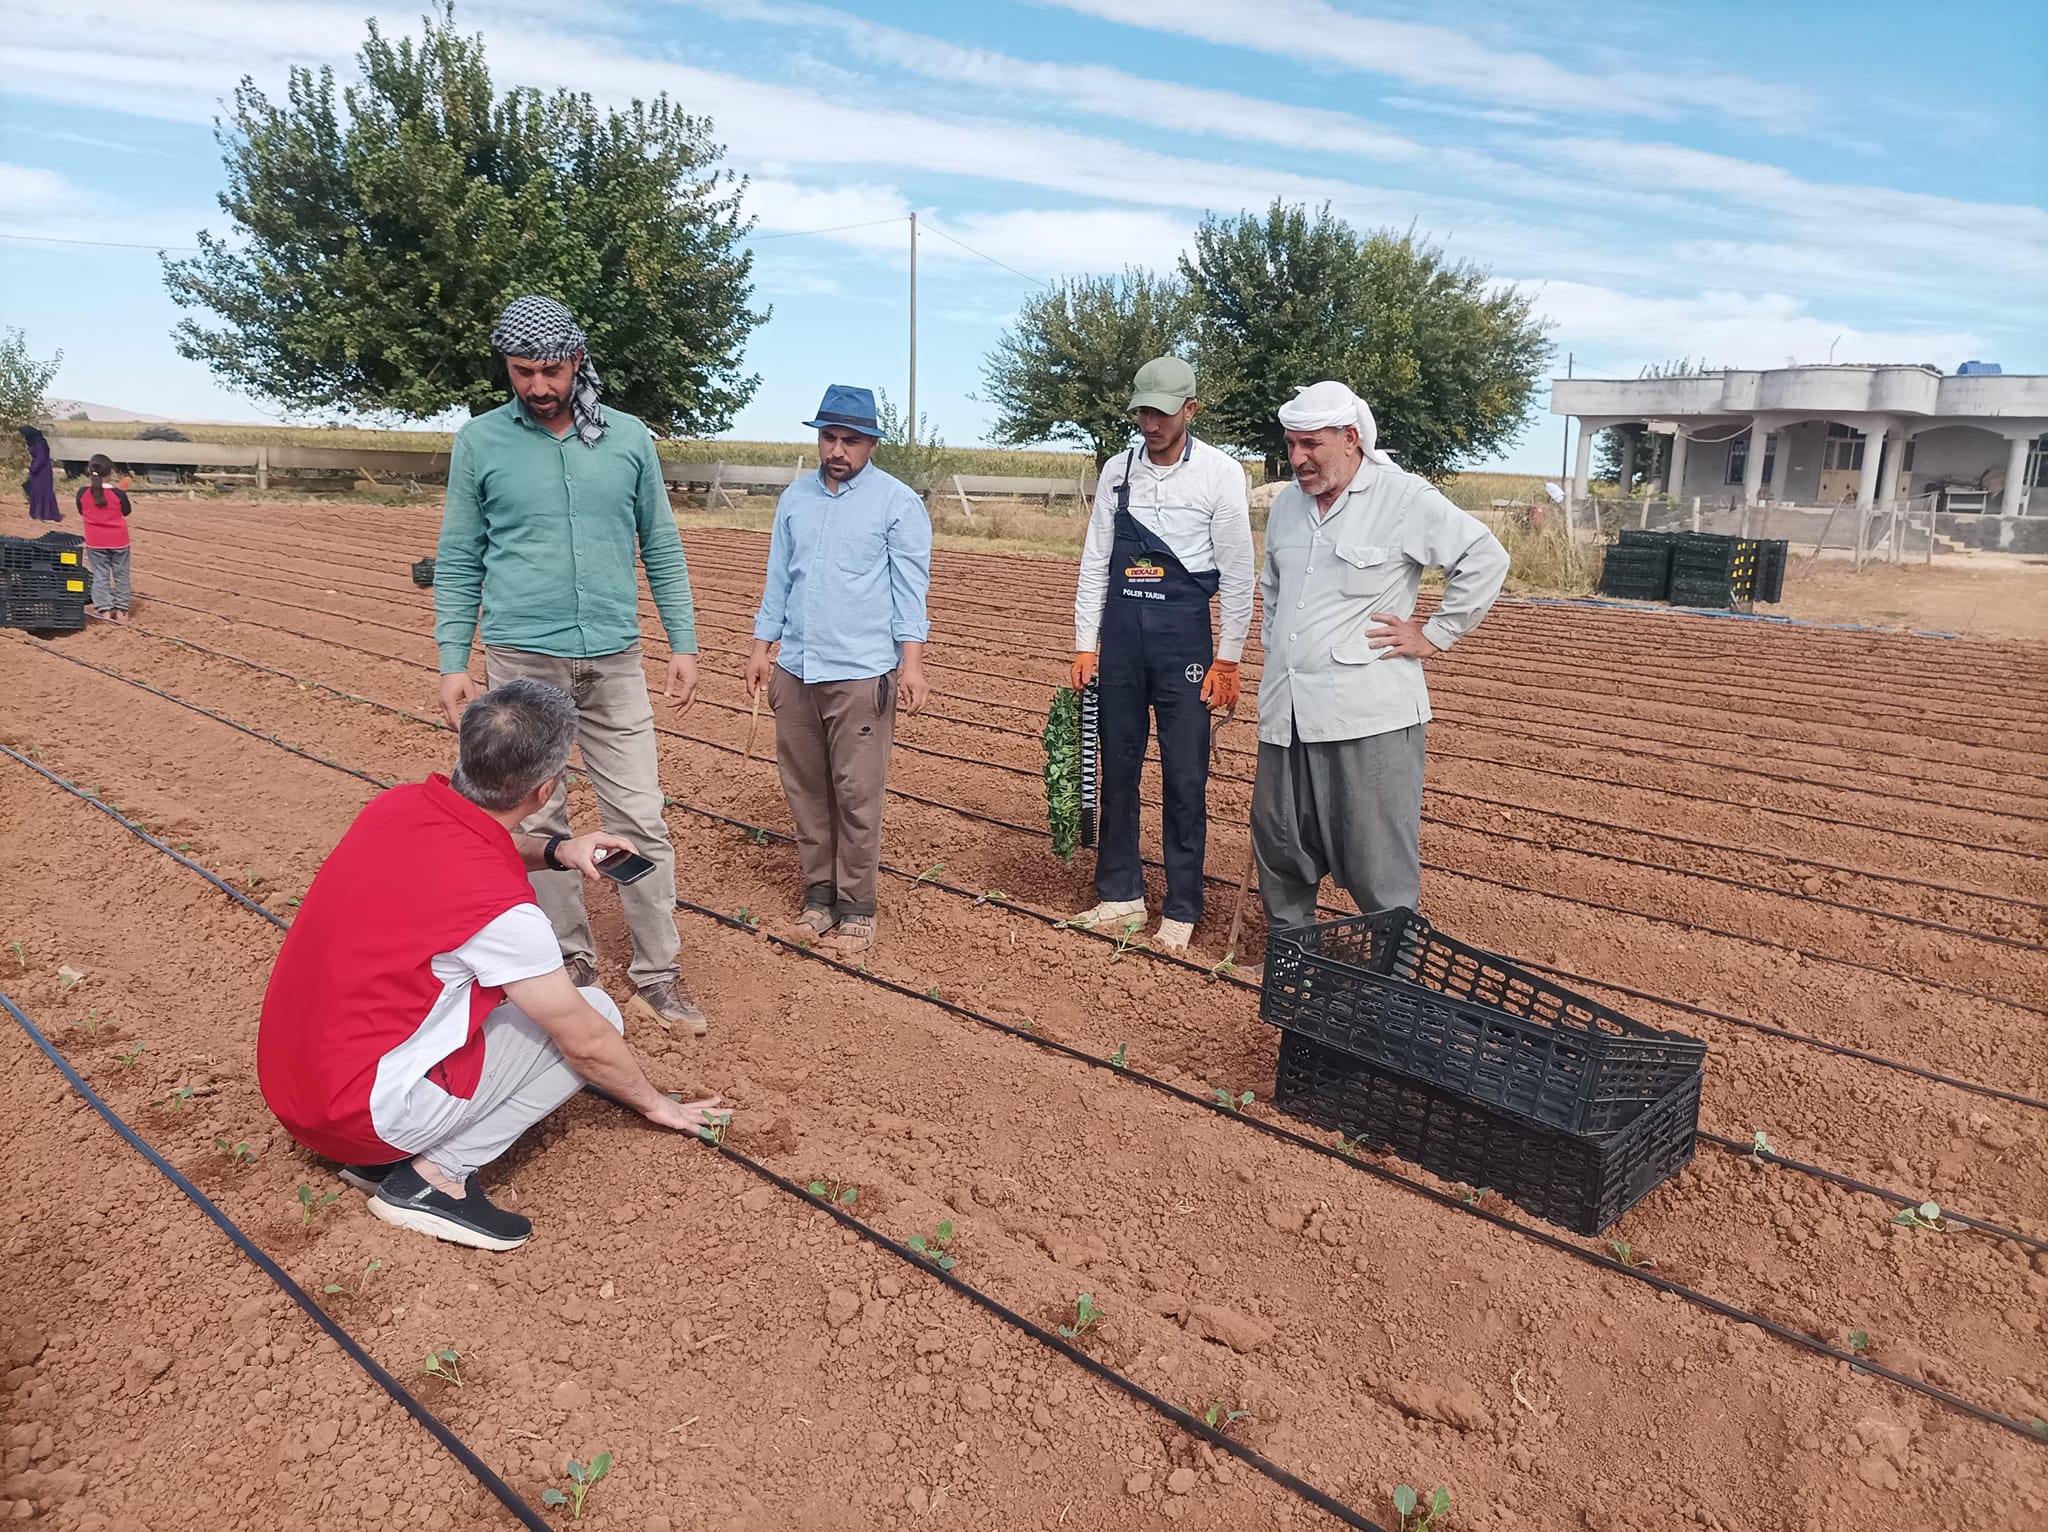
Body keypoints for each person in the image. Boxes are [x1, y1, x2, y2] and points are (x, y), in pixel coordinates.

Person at [257, 679, 729, 1252]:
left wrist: (559, 849)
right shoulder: (501, 913)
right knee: (596, 1010)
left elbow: (483, 838)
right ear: (545, 788)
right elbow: (584, 1041)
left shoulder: (396, 806)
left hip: (295, 1093)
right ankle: (433, 1180)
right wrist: (656, 1104)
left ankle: (383, 1157)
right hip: (358, 1117)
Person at [434, 295, 709, 1036]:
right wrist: (451, 658)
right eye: (522, 372)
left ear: (576, 361)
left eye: (550, 370)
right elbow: (460, 558)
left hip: (614, 659)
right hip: (522, 660)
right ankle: (568, 957)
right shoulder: (481, 443)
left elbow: (662, 545)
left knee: (640, 816)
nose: (537, 386)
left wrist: (682, 642)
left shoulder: (626, 440)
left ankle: (659, 971)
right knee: (537, 815)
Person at [1251, 381, 1509, 946]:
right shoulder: (1289, 508)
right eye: (1291, 444)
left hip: (1368, 716)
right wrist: (1278, 647)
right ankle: (1294, 964)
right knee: (1280, 846)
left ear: (1350, 439)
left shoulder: (1402, 498)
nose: (1297, 458)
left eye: (1311, 445)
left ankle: (1396, 981)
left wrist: (1435, 633)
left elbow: (1485, 556)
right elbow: (1271, 589)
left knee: (1376, 860)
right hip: (1288, 709)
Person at [1066, 357, 1254, 955]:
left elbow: (1240, 571)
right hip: (1122, 639)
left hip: (1184, 642)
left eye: (1161, 412)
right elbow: (1096, 560)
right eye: (1143, 410)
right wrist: (1084, 642)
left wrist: (1228, 658)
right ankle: (1121, 894)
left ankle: (1182, 905)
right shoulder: (1117, 471)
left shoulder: (1222, 474)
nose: (1149, 422)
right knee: (1116, 767)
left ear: (1190, 411)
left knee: (1185, 776)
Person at [745, 385, 932, 955]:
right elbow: (779, 577)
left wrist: (912, 664)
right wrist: (761, 646)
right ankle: (817, 896)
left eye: (850, 439)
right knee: (805, 789)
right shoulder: (795, 499)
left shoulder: (898, 504)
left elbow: (910, 590)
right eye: (829, 437)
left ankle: (857, 905)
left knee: (856, 791)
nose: (837, 449)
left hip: (860, 672)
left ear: (871, 442)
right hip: (797, 668)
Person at [75, 454, 134, 622]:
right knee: (121, 575)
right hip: (119, 541)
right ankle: (122, 611)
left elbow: (82, 511)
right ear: (111, 473)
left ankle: (105, 611)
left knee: (100, 576)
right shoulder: (118, 494)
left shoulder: (82, 493)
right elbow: (126, 511)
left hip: (96, 542)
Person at [20, 426, 60, 523]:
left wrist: (33, 468)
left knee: (43, 492)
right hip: (39, 470)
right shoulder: (36, 441)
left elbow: (41, 458)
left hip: (42, 470)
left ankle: (47, 514)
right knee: (37, 491)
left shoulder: (39, 443)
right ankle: (40, 514)